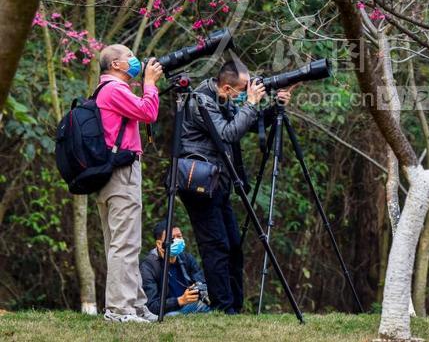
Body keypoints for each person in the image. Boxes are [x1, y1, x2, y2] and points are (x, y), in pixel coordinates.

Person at [178, 59, 292, 314]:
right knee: (216, 246)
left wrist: (276, 107)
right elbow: (227, 134)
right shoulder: (201, 101)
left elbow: (250, 124)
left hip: (218, 184)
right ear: (228, 88)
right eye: (243, 89)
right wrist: (250, 103)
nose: (245, 93)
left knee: (233, 246)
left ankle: (235, 308)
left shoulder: (223, 100)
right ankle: (223, 307)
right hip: (200, 185)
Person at [96, 44, 163, 323]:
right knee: (125, 243)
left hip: (109, 173)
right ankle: (120, 309)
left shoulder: (105, 90)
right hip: (122, 172)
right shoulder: (114, 89)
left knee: (123, 242)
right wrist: (149, 84)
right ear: (115, 64)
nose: (134, 61)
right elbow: (148, 112)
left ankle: (134, 305)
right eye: (129, 57)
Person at [140, 221, 210, 317]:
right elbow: (152, 306)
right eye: (172, 238)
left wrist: (198, 288)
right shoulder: (148, 267)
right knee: (174, 315)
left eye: (179, 236)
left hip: (190, 305)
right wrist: (180, 300)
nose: (177, 241)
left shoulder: (186, 258)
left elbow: (201, 281)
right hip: (167, 312)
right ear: (159, 244)